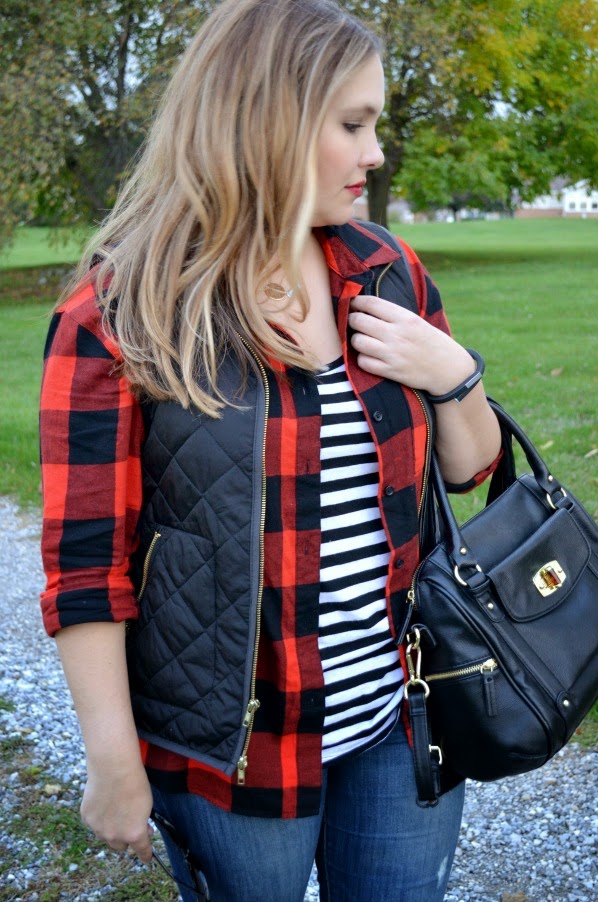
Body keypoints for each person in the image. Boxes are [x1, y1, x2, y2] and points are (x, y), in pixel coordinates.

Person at [39, 1, 502, 899]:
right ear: (266, 121)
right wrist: (113, 762)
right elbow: (87, 569)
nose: (376, 152)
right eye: (352, 125)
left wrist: (455, 375)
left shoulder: (386, 270)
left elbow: (468, 470)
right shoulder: (121, 316)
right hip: (234, 759)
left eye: (376, 125)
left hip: (402, 719)